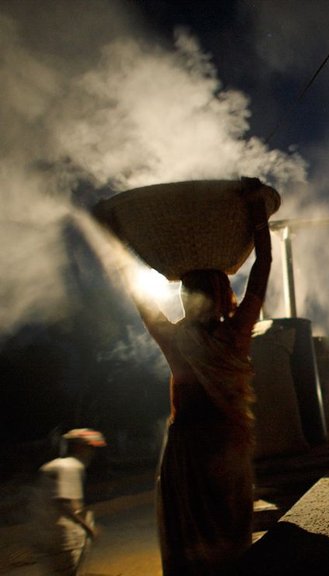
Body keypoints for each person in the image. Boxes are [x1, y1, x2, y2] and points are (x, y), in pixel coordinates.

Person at [130, 179, 275, 575]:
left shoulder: (175, 338)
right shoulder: (236, 332)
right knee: (229, 537)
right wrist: (257, 211)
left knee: (188, 539)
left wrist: (118, 238)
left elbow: (136, 295)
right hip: (226, 446)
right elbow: (263, 266)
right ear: (224, 292)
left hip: (189, 450)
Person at [34, 428, 107, 576]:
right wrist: (88, 528)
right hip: (62, 537)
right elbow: (64, 504)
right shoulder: (71, 467)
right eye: (90, 448)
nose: (92, 453)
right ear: (80, 447)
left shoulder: (56, 465)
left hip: (45, 533)